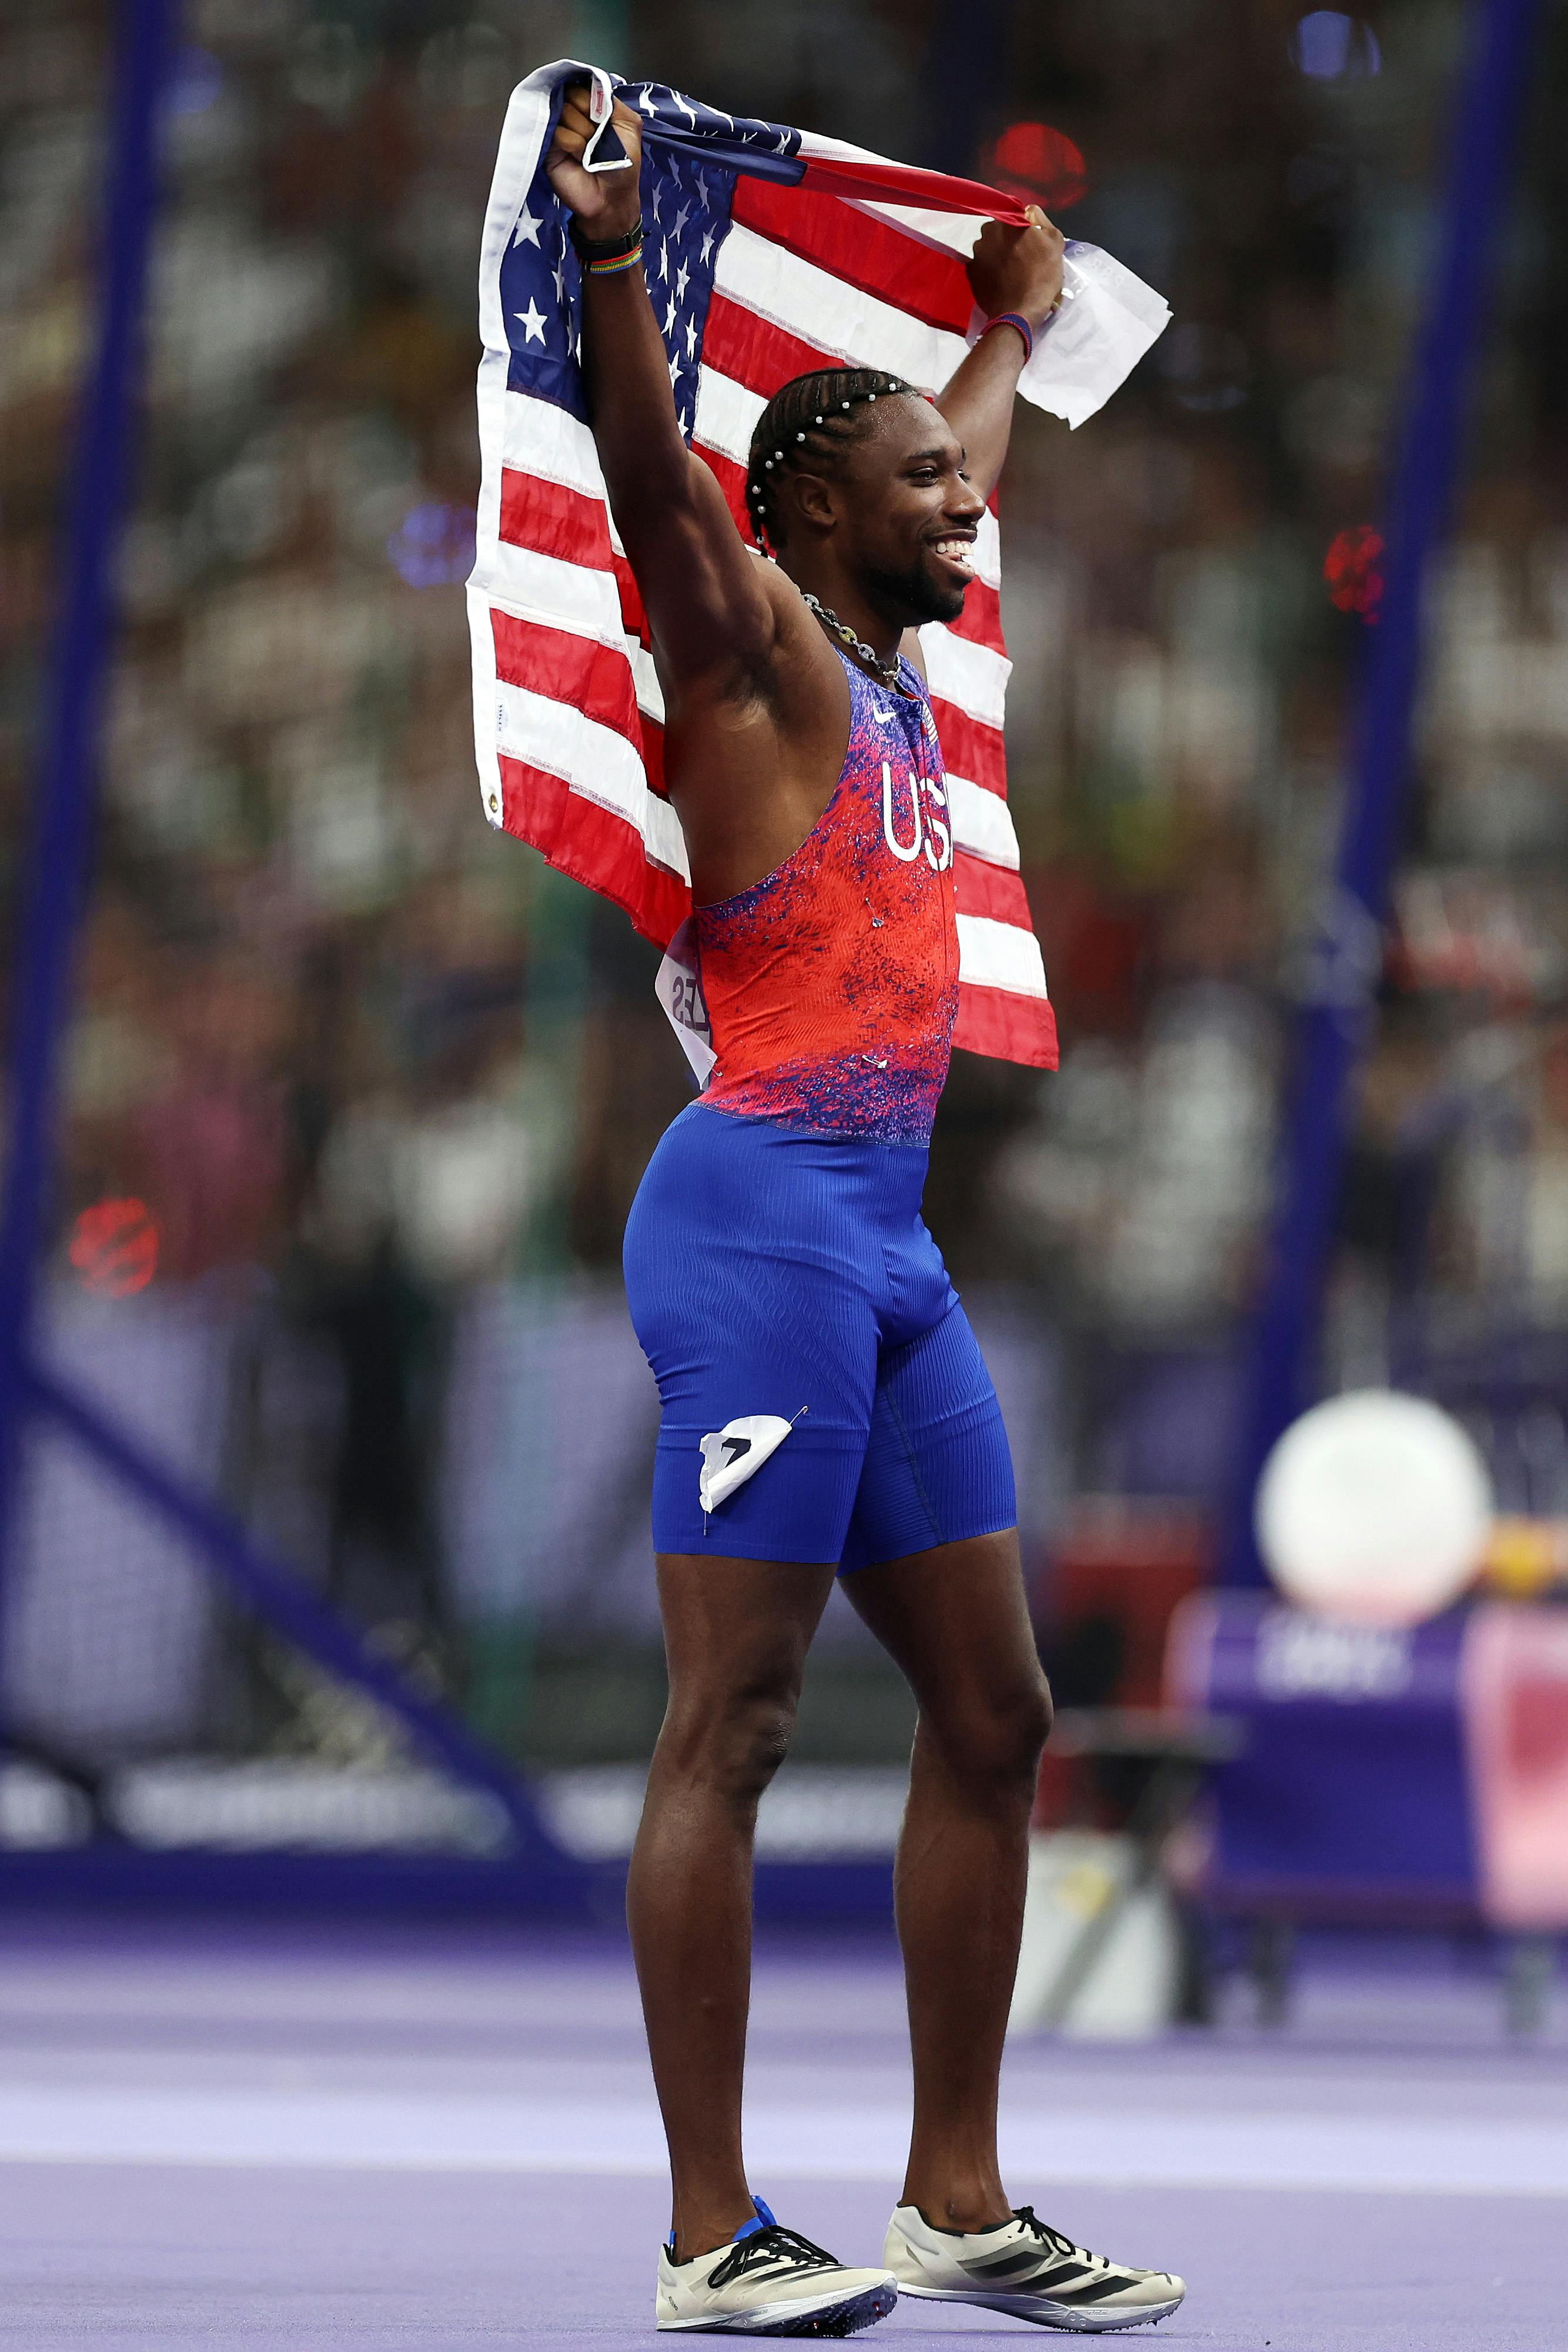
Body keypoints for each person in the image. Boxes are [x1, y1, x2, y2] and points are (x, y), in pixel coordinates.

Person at [546, 83, 1187, 2338]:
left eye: (959, 473)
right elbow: (652, 487)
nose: (966, 506)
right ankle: (713, 2232)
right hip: (755, 1232)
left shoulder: (894, 673)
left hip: (886, 1250)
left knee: (997, 1721)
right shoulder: (754, 662)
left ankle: (954, 2199)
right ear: (809, 510)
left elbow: (960, 466)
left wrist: (999, 340)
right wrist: (616, 261)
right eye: (920, 483)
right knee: (729, 1724)